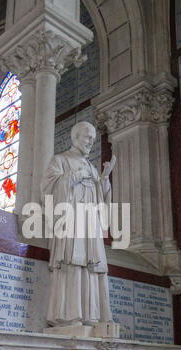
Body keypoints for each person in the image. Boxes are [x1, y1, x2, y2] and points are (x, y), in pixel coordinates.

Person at [41, 121, 116, 327]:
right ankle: (70, 315)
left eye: (93, 138)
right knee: (73, 263)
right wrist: (75, 176)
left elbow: (100, 201)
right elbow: (48, 188)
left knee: (91, 267)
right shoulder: (61, 160)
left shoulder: (92, 167)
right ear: (75, 137)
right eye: (87, 137)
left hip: (89, 225)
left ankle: (91, 315)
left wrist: (104, 181)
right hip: (70, 223)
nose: (91, 141)